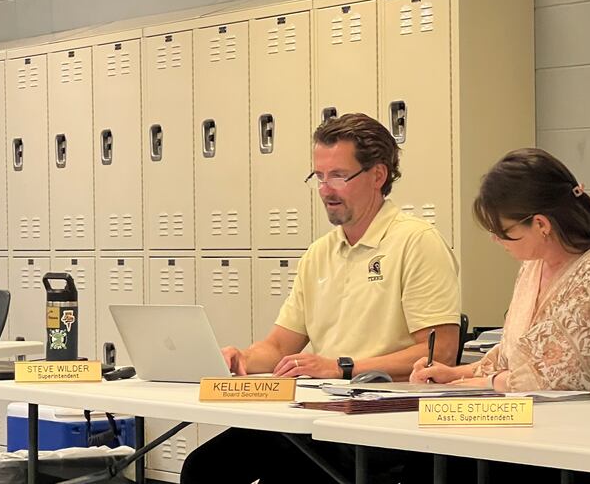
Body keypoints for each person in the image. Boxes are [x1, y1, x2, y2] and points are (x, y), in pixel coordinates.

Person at [180, 113, 461, 483]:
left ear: (378, 176)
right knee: (205, 468)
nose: (327, 189)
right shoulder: (320, 252)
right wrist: (242, 358)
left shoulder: (415, 242)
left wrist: (341, 366)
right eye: (319, 177)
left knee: (291, 473)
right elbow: (281, 343)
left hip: (383, 419)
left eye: (339, 176)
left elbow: (437, 352)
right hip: (317, 410)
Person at [410, 148, 590, 483]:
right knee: (428, 452)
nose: (496, 240)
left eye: (504, 232)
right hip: (536, 433)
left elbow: (555, 379)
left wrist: (476, 384)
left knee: (445, 460)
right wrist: (453, 374)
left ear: (541, 224)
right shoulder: (534, 266)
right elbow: (515, 356)